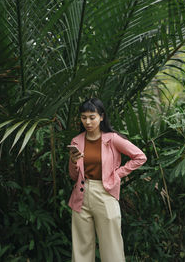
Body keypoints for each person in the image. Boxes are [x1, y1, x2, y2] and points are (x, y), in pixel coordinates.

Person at [68, 98, 147, 262]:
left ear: (101, 117)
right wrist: (73, 161)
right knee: (81, 249)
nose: (87, 122)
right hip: (80, 195)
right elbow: (73, 176)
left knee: (111, 247)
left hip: (105, 193)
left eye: (92, 117)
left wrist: (117, 174)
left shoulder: (112, 139)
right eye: (84, 117)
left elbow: (140, 157)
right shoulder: (77, 141)